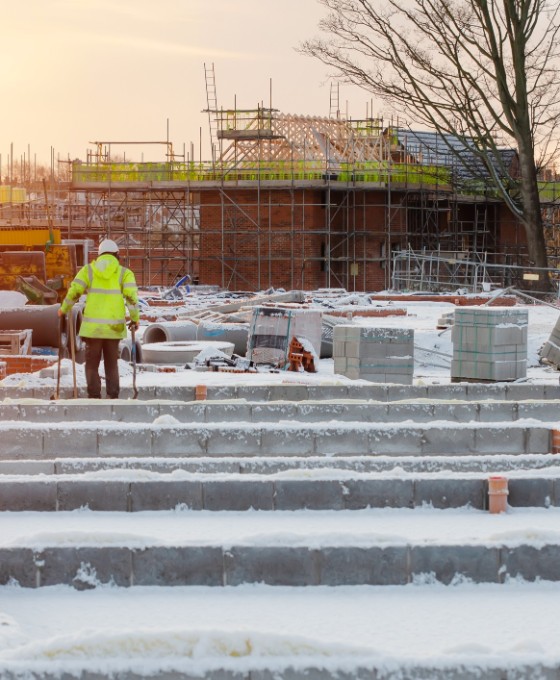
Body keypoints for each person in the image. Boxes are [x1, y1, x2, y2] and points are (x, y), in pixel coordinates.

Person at [58, 239, 140, 399]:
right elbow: (131, 298)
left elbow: (74, 292)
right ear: (117, 255)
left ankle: (94, 396)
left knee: (92, 364)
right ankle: (113, 396)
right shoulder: (124, 273)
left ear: (100, 254)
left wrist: (64, 309)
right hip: (113, 328)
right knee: (111, 364)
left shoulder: (89, 270)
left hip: (93, 329)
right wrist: (135, 318)